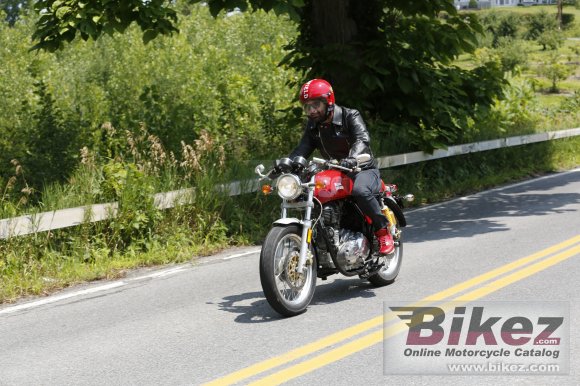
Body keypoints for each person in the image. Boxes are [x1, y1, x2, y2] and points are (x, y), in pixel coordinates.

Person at [284, 78, 394, 255]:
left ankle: (383, 232)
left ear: (329, 101)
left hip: (361, 168)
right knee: (308, 192)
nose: (312, 111)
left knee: (360, 191)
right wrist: (287, 165)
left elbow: (362, 139)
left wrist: (353, 157)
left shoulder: (350, 116)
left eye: (316, 105)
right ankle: (324, 239)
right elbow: (302, 148)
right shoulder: (314, 126)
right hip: (335, 171)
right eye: (307, 107)